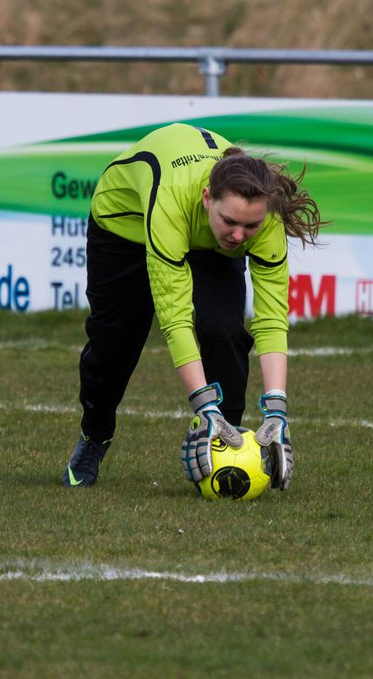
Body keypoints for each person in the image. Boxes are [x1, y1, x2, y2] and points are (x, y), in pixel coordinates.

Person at [61, 122, 325, 491]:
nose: (239, 235)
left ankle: (226, 443)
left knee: (225, 333)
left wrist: (277, 409)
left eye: (250, 226)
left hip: (204, 238)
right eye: (231, 221)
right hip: (125, 226)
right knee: (114, 344)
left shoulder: (261, 217)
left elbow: (271, 320)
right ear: (207, 198)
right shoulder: (174, 198)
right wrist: (203, 407)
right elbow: (175, 319)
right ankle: (95, 436)